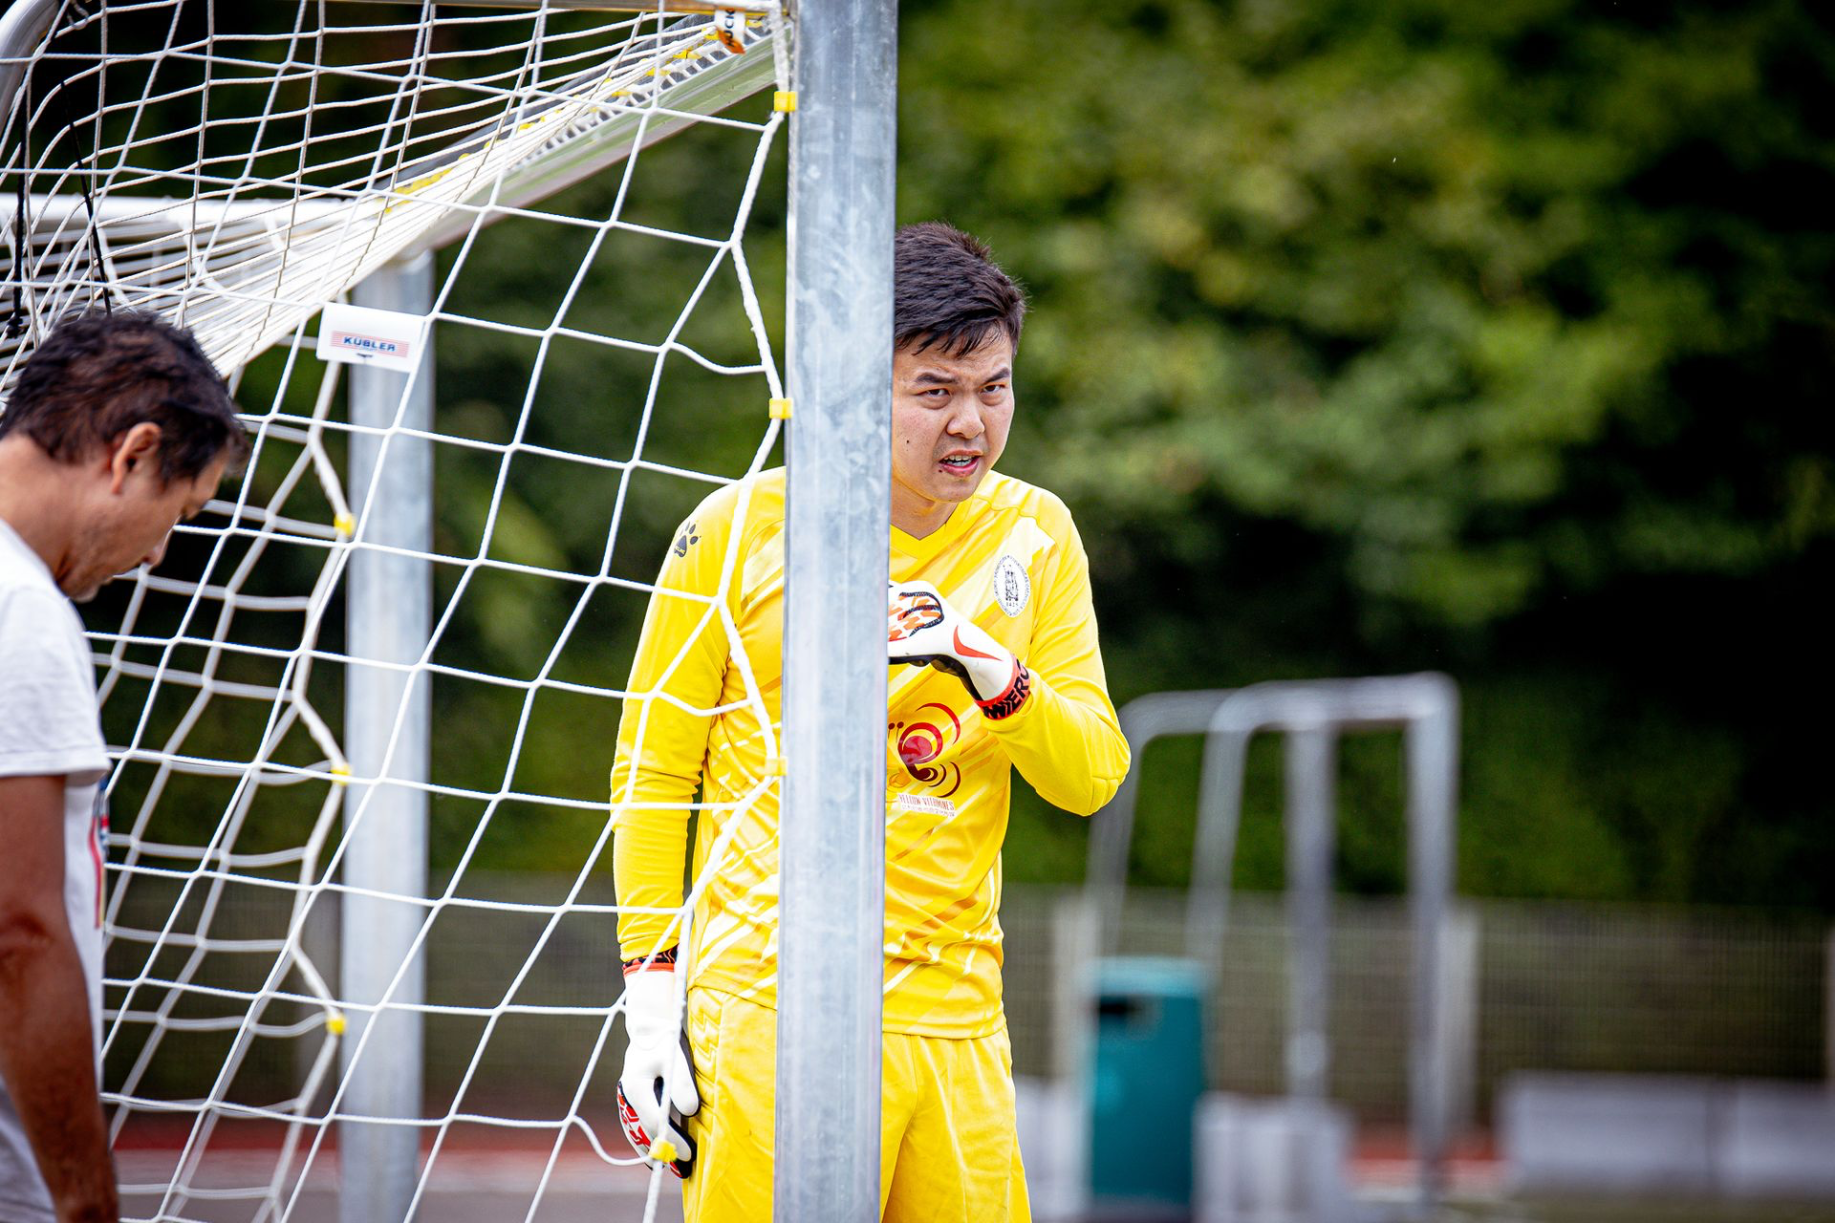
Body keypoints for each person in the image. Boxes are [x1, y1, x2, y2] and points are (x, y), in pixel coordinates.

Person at [610, 222, 1130, 1221]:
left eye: (993, 387)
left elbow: (1090, 775)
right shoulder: (733, 531)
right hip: (766, 1006)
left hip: (954, 1016)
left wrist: (986, 665)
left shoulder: (1038, 532)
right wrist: (649, 1004)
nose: (970, 422)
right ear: (854, 387)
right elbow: (654, 774)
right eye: (934, 391)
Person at [0, 310, 248, 1223]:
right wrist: (83, 1201)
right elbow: (20, 930)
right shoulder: (21, 611)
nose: (154, 553)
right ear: (133, 454)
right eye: (176, 513)